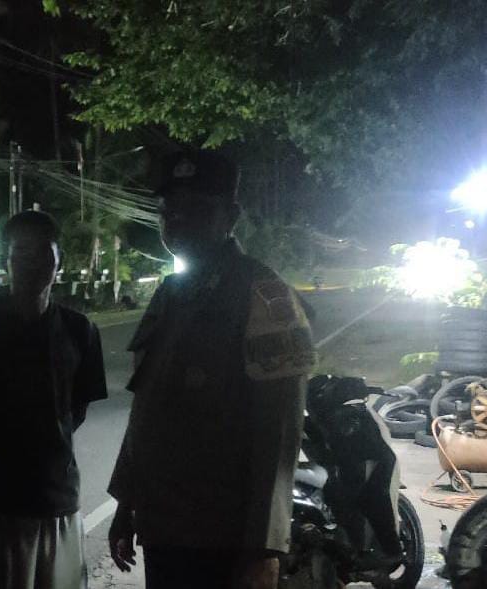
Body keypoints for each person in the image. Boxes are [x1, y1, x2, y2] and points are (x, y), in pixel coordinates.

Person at [106, 151, 316, 589]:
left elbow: (280, 432)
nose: (178, 221)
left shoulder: (263, 294)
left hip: (225, 538)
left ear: (230, 217)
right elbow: (147, 410)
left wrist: (265, 548)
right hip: (164, 525)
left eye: (197, 209)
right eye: (169, 212)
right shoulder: (170, 294)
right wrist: (126, 504)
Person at [0, 210, 108, 589]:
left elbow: (76, 410)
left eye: (42, 252)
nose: (31, 262)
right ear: (6, 261)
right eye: (20, 252)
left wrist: (45, 451)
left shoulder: (80, 331)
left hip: (58, 501)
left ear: (59, 261)